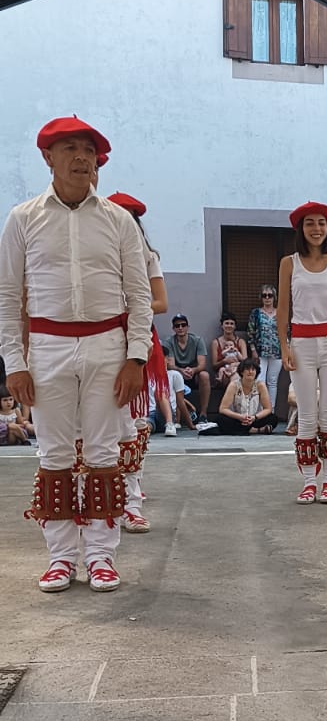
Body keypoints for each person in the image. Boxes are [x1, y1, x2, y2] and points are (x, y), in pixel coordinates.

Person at [0, 116, 152, 592]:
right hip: (46, 347)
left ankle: (102, 555)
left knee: (104, 451)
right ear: (48, 157)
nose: (81, 157)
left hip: (108, 345)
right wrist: (14, 363)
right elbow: (7, 295)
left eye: (88, 149)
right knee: (54, 453)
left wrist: (136, 357)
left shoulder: (118, 220)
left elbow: (140, 294)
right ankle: (62, 557)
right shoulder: (23, 218)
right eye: (70, 148)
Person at [277, 201, 327, 504]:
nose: (316, 228)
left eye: (321, 223)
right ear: (301, 228)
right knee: (307, 415)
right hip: (302, 344)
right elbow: (283, 307)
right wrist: (284, 346)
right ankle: (310, 481)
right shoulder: (289, 263)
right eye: (310, 223)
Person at [106, 192, 169, 534]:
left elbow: (160, 302)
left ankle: (131, 500)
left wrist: (128, 308)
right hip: (99, 340)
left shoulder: (147, 256)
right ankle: (105, 496)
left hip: (136, 339)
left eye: (128, 216)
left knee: (133, 418)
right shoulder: (96, 252)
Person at [167, 315, 215, 430]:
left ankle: (203, 414)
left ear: (188, 327)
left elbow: (202, 364)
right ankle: (176, 418)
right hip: (178, 374)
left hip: (194, 374)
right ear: (173, 328)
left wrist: (193, 370)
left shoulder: (197, 340)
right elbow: (170, 365)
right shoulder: (169, 342)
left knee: (204, 375)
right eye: (177, 326)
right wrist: (181, 370)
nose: (180, 328)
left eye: (183, 325)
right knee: (173, 375)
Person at [216, 359, 277, 434]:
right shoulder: (233, 385)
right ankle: (256, 430)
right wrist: (239, 417)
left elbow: (268, 409)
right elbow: (223, 409)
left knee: (273, 418)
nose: (250, 372)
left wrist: (254, 417)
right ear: (242, 372)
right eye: (247, 369)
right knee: (220, 419)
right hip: (238, 419)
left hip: (255, 419)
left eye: (253, 369)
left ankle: (242, 430)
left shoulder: (260, 385)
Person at [246, 284, 282, 402]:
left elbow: (286, 332)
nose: (267, 298)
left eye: (269, 295)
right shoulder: (256, 313)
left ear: (274, 297)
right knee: (260, 380)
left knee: (273, 382)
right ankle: (260, 408)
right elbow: (250, 332)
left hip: (277, 352)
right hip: (260, 352)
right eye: (264, 295)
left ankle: (271, 409)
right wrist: (253, 350)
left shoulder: (280, 313)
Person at [210, 312, 247, 384]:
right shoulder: (216, 343)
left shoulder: (241, 342)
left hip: (237, 370)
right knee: (227, 377)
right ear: (222, 325)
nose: (229, 326)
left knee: (235, 376)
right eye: (226, 323)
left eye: (232, 324)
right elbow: (214, 366)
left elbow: (245, 362)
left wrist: (235, 364)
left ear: (235, 326)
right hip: (223, 371)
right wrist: (224, 361)